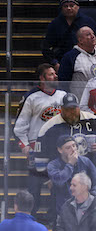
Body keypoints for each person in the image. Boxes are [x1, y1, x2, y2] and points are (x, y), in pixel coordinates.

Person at [14, 64, 66, 217]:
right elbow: (19, 127)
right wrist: (24, 146)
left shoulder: (64, 96)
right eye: (51, 74)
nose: (55, 76)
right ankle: (31, 217)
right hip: (37, 149)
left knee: (58, 184)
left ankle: (54, 217)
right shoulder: (32, 98)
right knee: (34, 186)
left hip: (59, 149)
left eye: (55, 73)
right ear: (42, 78)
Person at [47, 134, 96, 215]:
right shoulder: (53, 165)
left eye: (74, 146)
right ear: (60, 150)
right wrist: (70, 164)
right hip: (64, 209)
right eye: (68, 148)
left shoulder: (85, 161)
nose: (73, 149)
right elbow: (59, 181)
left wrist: (92, 196)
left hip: (85, 208)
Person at [42, 0, 96, 68]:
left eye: (72, 5)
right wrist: (55, 63)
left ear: (78, 7)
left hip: (86, 63)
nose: (68, 8)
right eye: (65, 6)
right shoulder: (54, 24)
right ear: (61, 8)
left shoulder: (88, 22)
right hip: (61, 63)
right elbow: (46, 48)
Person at [58, 25, 96, 97]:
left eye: (93, 34)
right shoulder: (70, 57)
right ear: (80, 40)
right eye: (88, 34)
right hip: (80, 104)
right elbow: (63, 84)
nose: (92, 36)